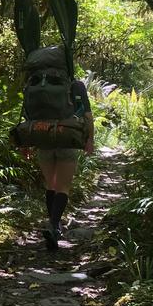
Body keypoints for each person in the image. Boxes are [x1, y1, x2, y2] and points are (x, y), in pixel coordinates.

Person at [27, 78, 95, 250]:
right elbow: (87, 115)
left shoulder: (36, 83)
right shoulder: (75, 85)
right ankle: (54, 226)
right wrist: (90, 139)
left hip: (43, 137)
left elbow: (27, 114)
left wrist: (26, 142)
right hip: (67, 138)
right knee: (63, 187)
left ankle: (54, 226)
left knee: (51, 185)